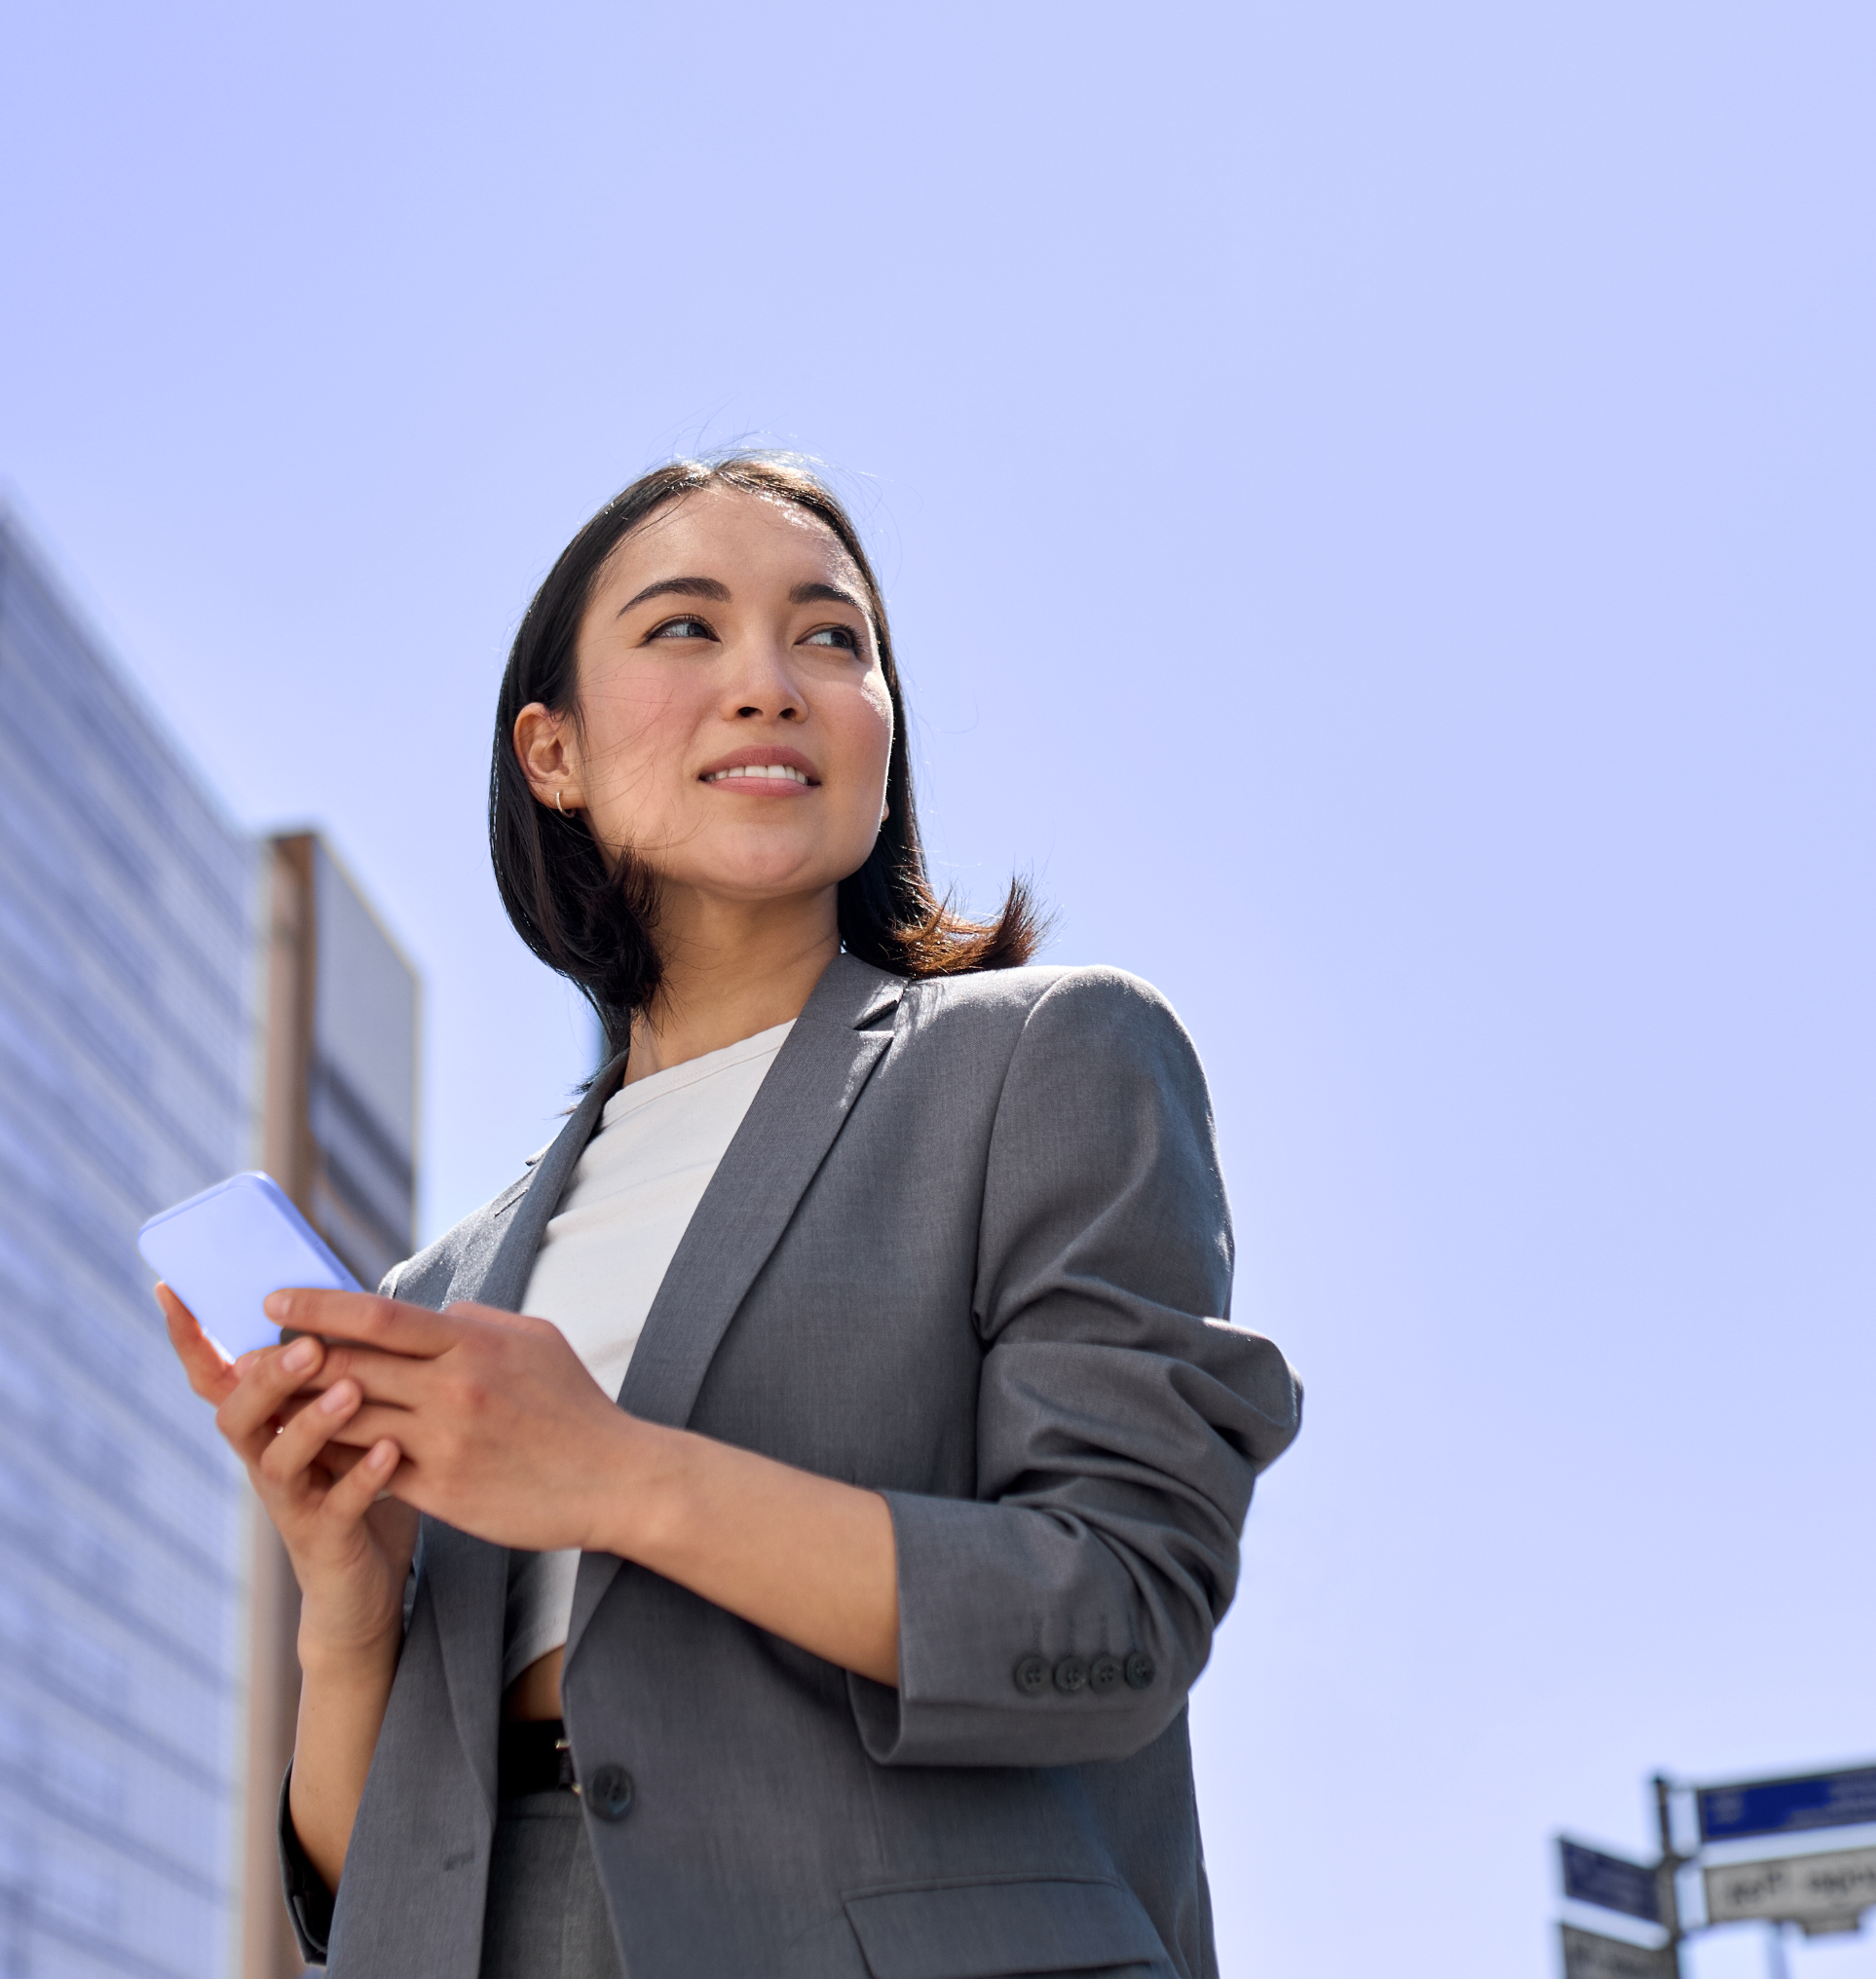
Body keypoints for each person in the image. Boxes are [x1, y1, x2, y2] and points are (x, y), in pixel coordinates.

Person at [156, 454, 1300, 1979]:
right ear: (550, 751)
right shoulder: (446, 1285)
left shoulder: (1045, 1059)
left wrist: (614, 1473)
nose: (769, 681)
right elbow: (372, 1890)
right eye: (686, 628)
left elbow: (1117, 1609)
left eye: (831, 638)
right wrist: (351, 1599)